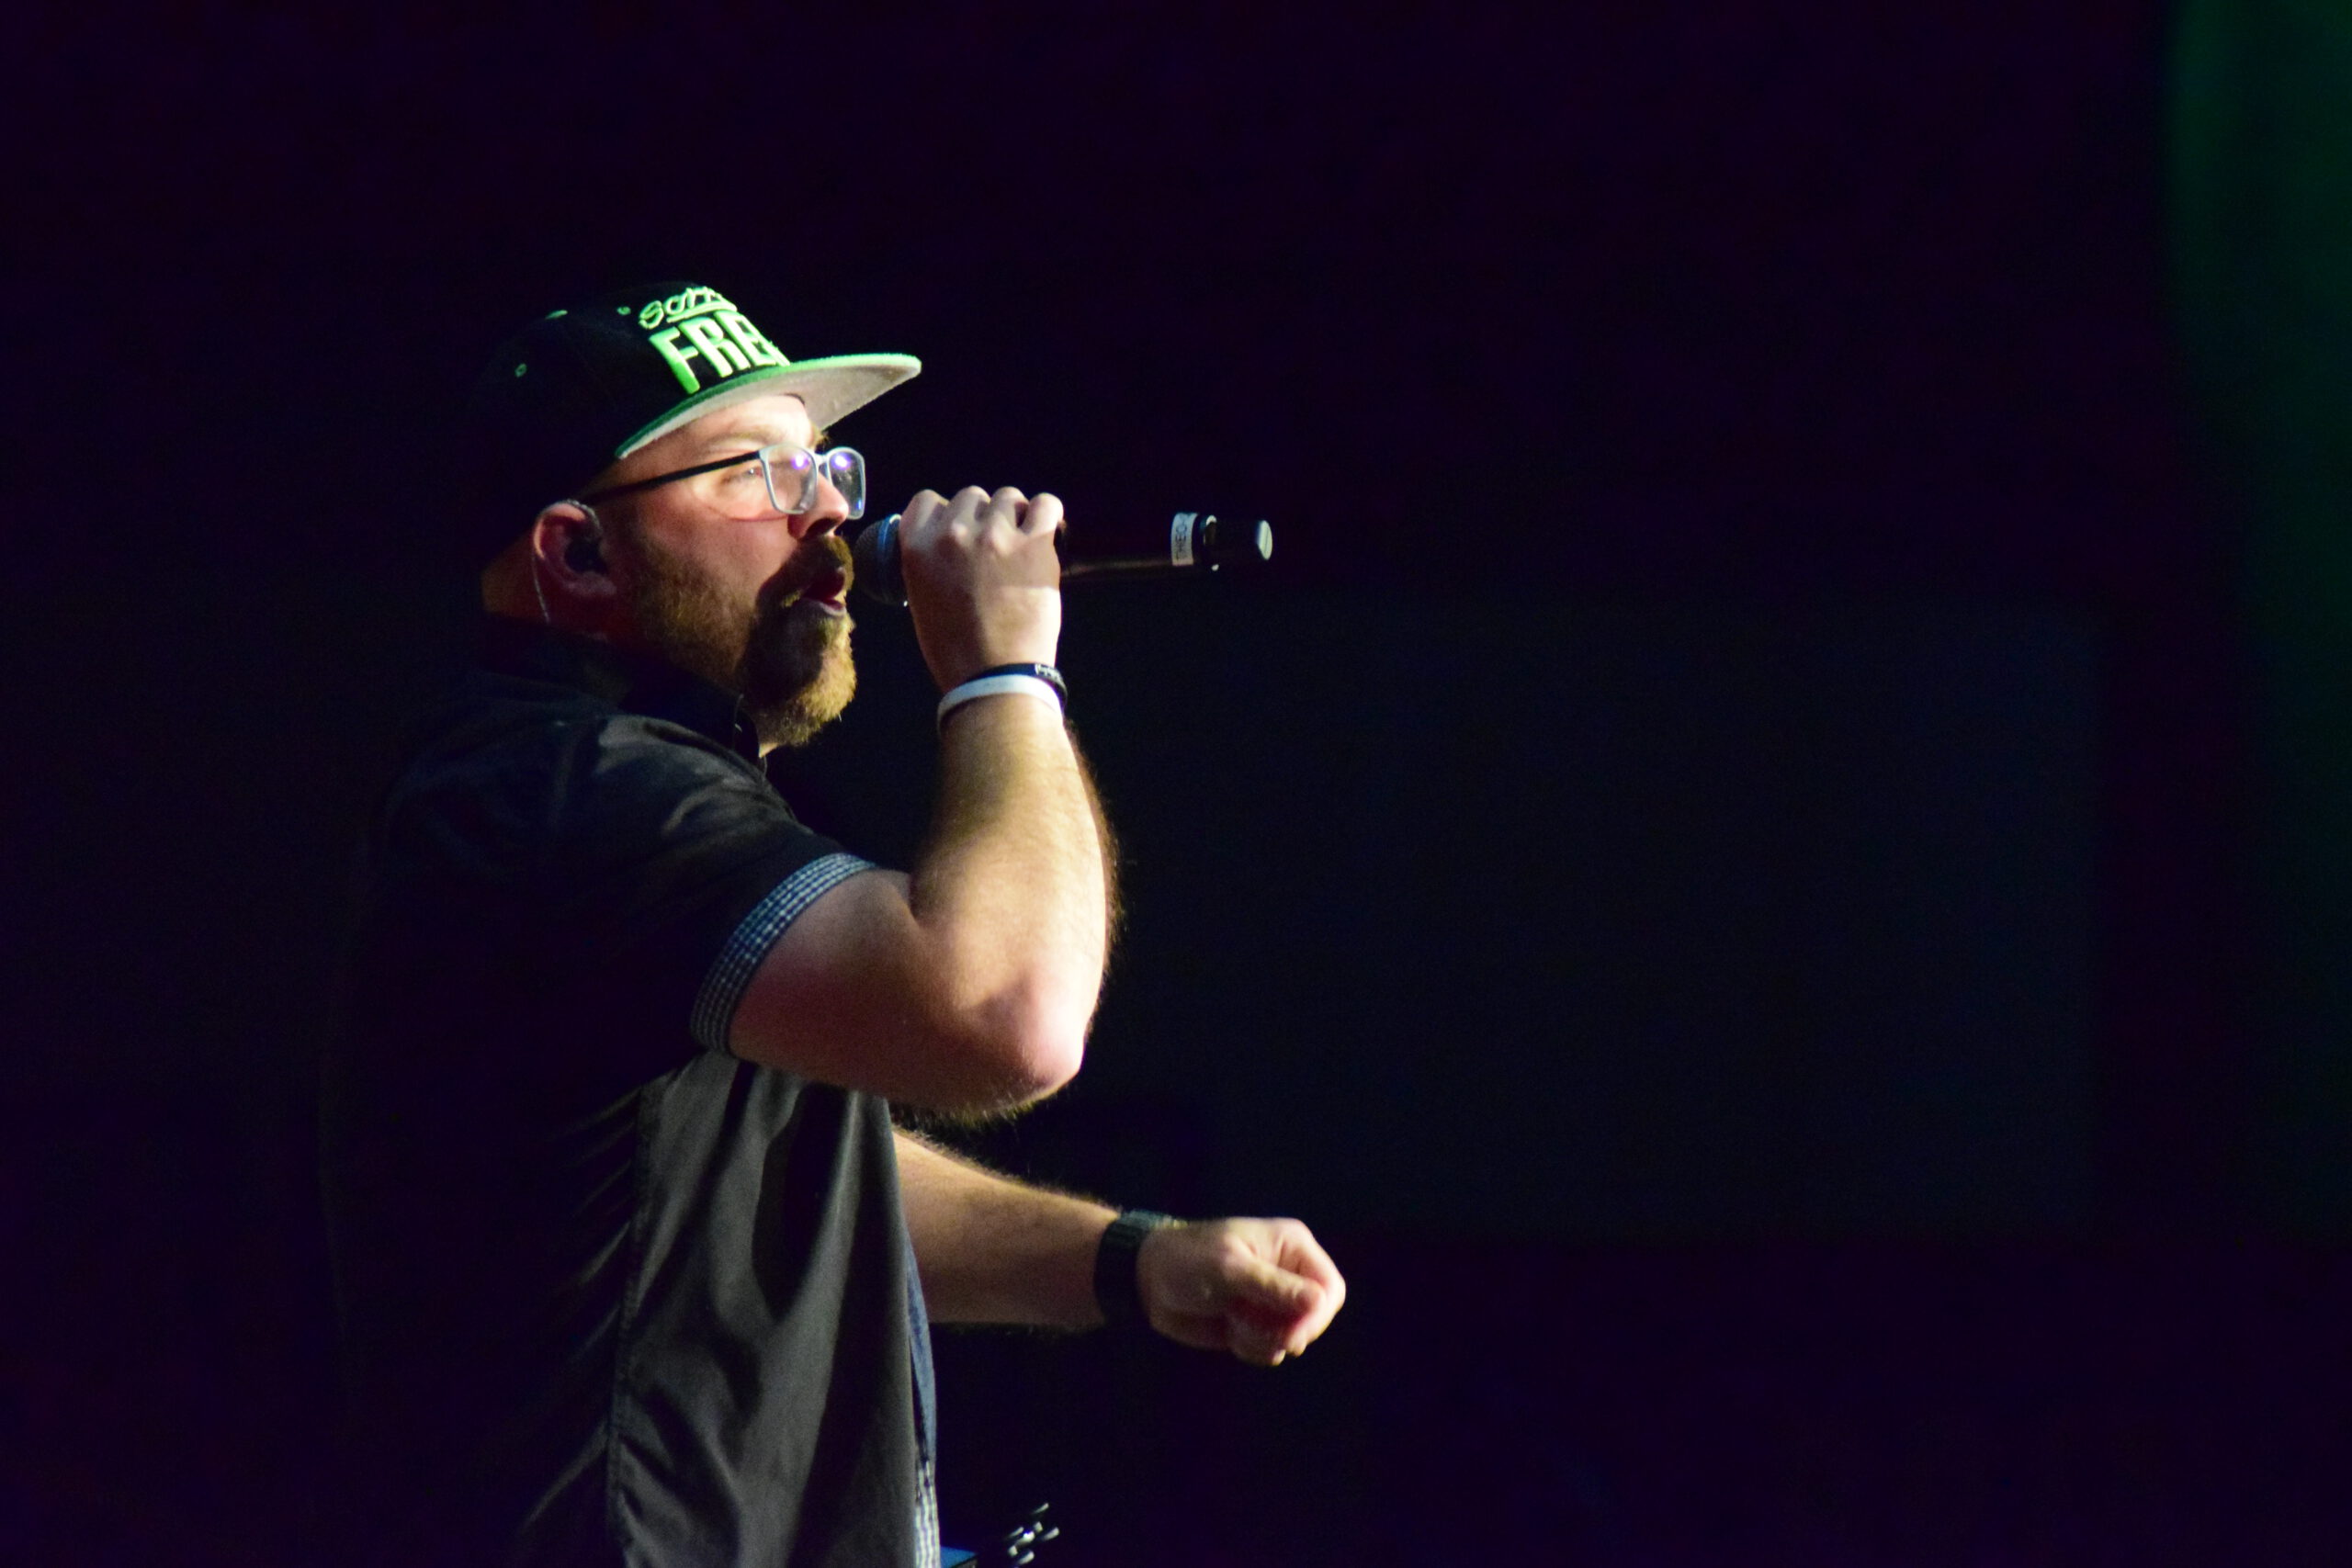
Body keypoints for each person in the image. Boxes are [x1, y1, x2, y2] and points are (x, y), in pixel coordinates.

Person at [319, 281, 1344, 1568]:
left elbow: (781, 1182)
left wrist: (1128, 1260)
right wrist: (1004, 670)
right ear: (577, 554)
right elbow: (1005, 1017)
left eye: (822, 464)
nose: (829, 516)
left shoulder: (617, 790)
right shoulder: (571, 792)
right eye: (756, 474)